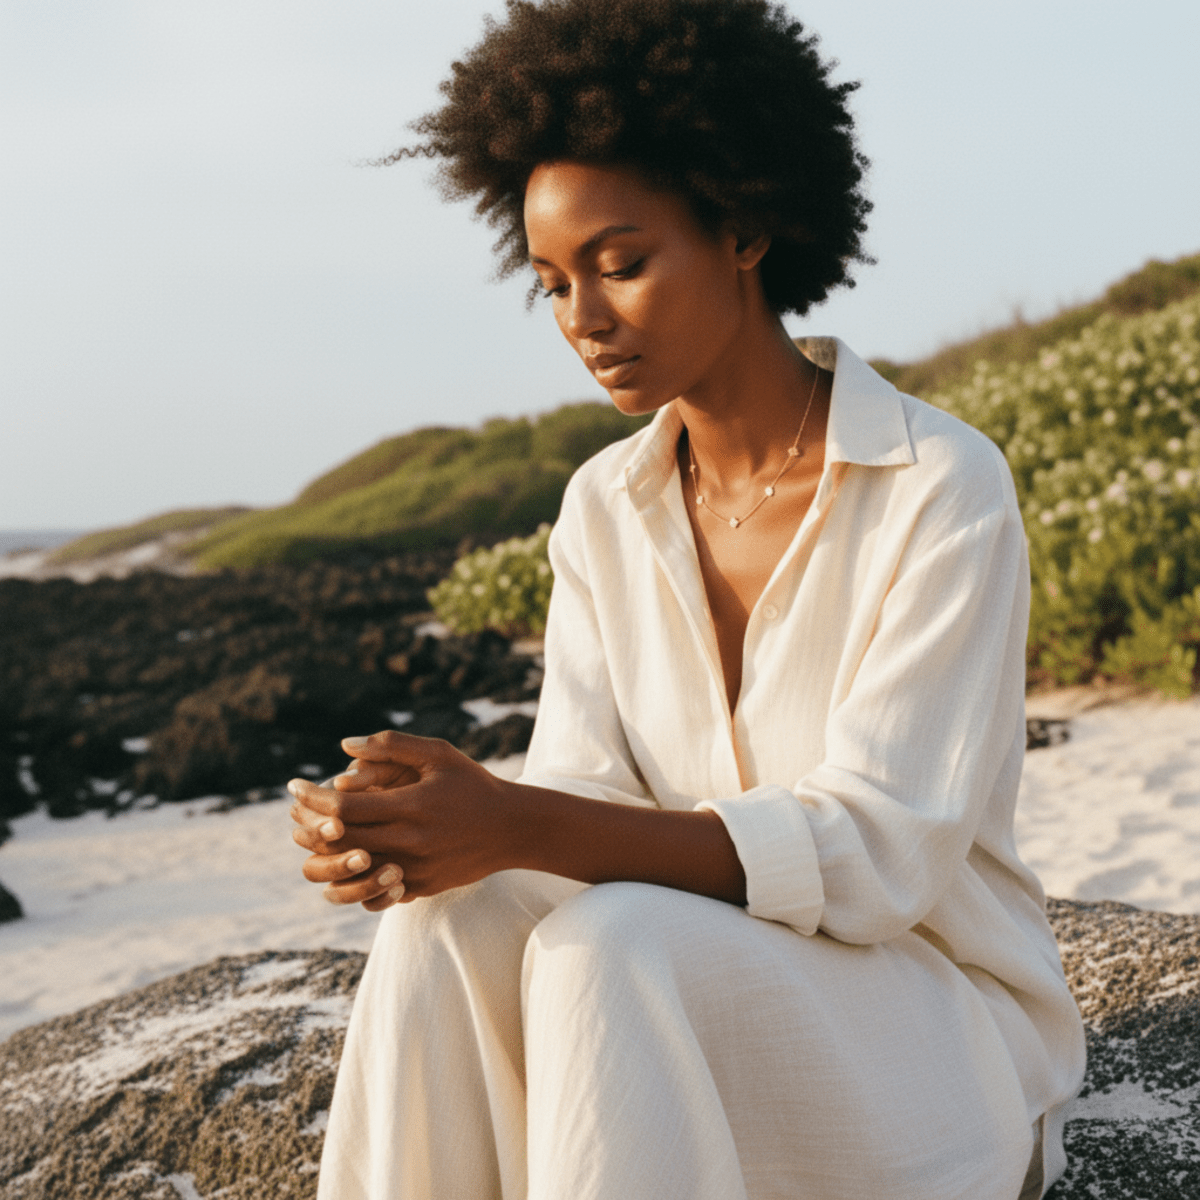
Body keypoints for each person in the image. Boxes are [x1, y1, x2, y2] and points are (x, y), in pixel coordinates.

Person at [287, 2, 1086, 1196]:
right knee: (444, 924)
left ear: (747, 227)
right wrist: (427, 831)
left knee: (612, 945)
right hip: (688, 988)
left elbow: (880, 854)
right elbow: (586, 788)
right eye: (553, 283)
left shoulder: (939, 485)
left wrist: (518, 825)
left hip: (930, 1026)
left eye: (621, 264)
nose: (585, 322)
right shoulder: (606, 503)